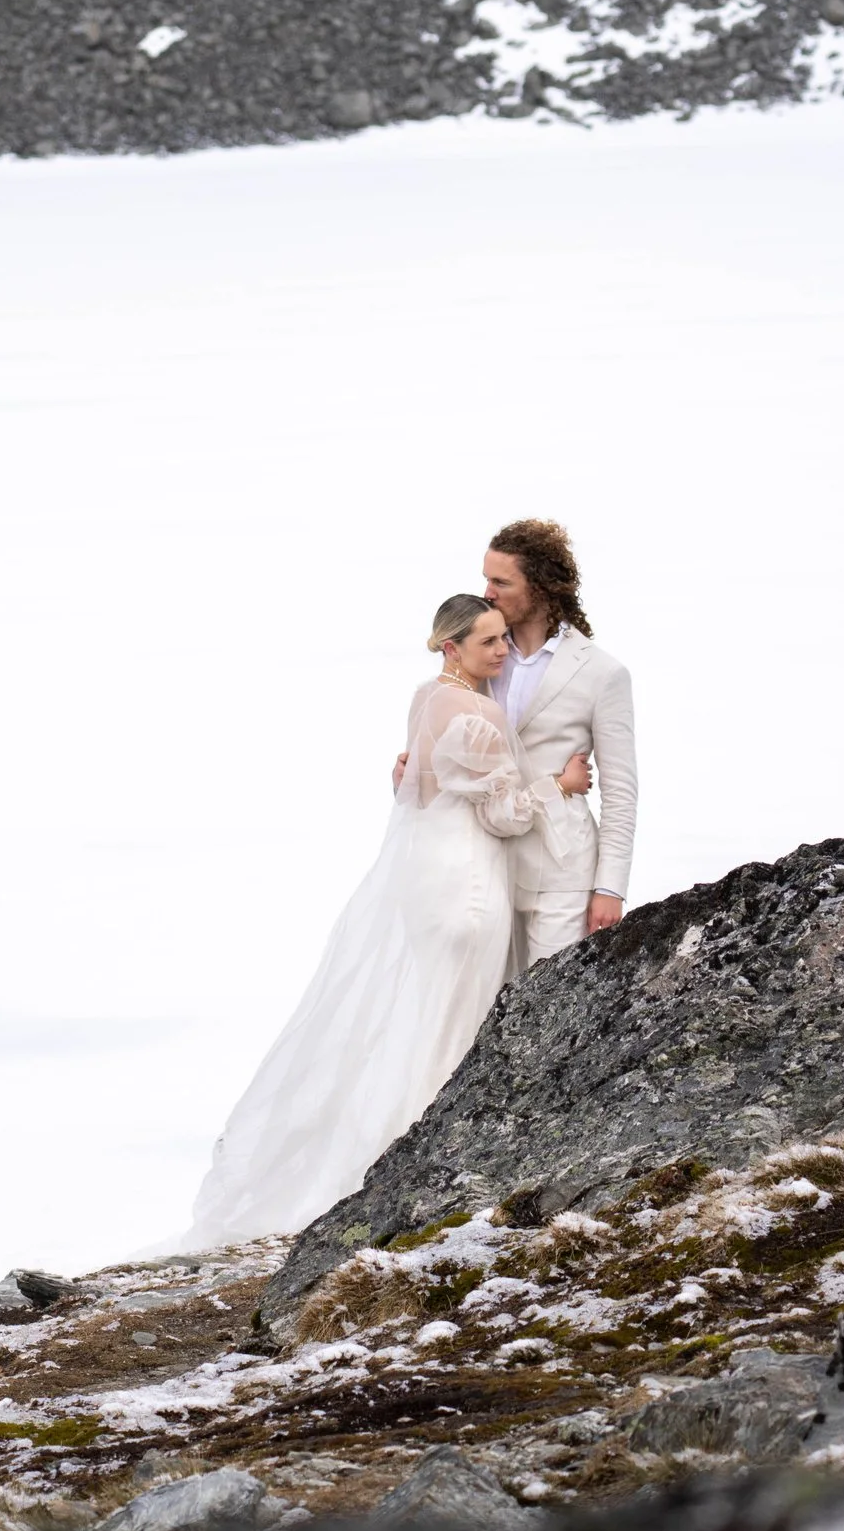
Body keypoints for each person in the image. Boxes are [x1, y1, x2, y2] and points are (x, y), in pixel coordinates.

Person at [188, 597, 525, 1245]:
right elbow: (508, 815)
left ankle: (389, 1158)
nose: (502, 650)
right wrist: (559, 786)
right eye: (488, 642)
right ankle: (429, 1161)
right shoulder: (481, 714)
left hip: (425, 877)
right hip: (467, 880)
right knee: (454, 1019)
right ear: (451, 646)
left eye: (505, 638)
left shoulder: (426, 698)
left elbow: (415, 784)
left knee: (424, 1013)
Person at [481, 516, 636, 970]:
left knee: (545, 1013)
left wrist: (610, 887)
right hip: (487, 866)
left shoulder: (602, 673)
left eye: (500, 581)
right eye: (485, 579)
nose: (487, 592)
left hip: (563, 872)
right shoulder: (479, 653)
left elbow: (621, 789)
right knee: (481, 1014)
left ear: (542, 587)